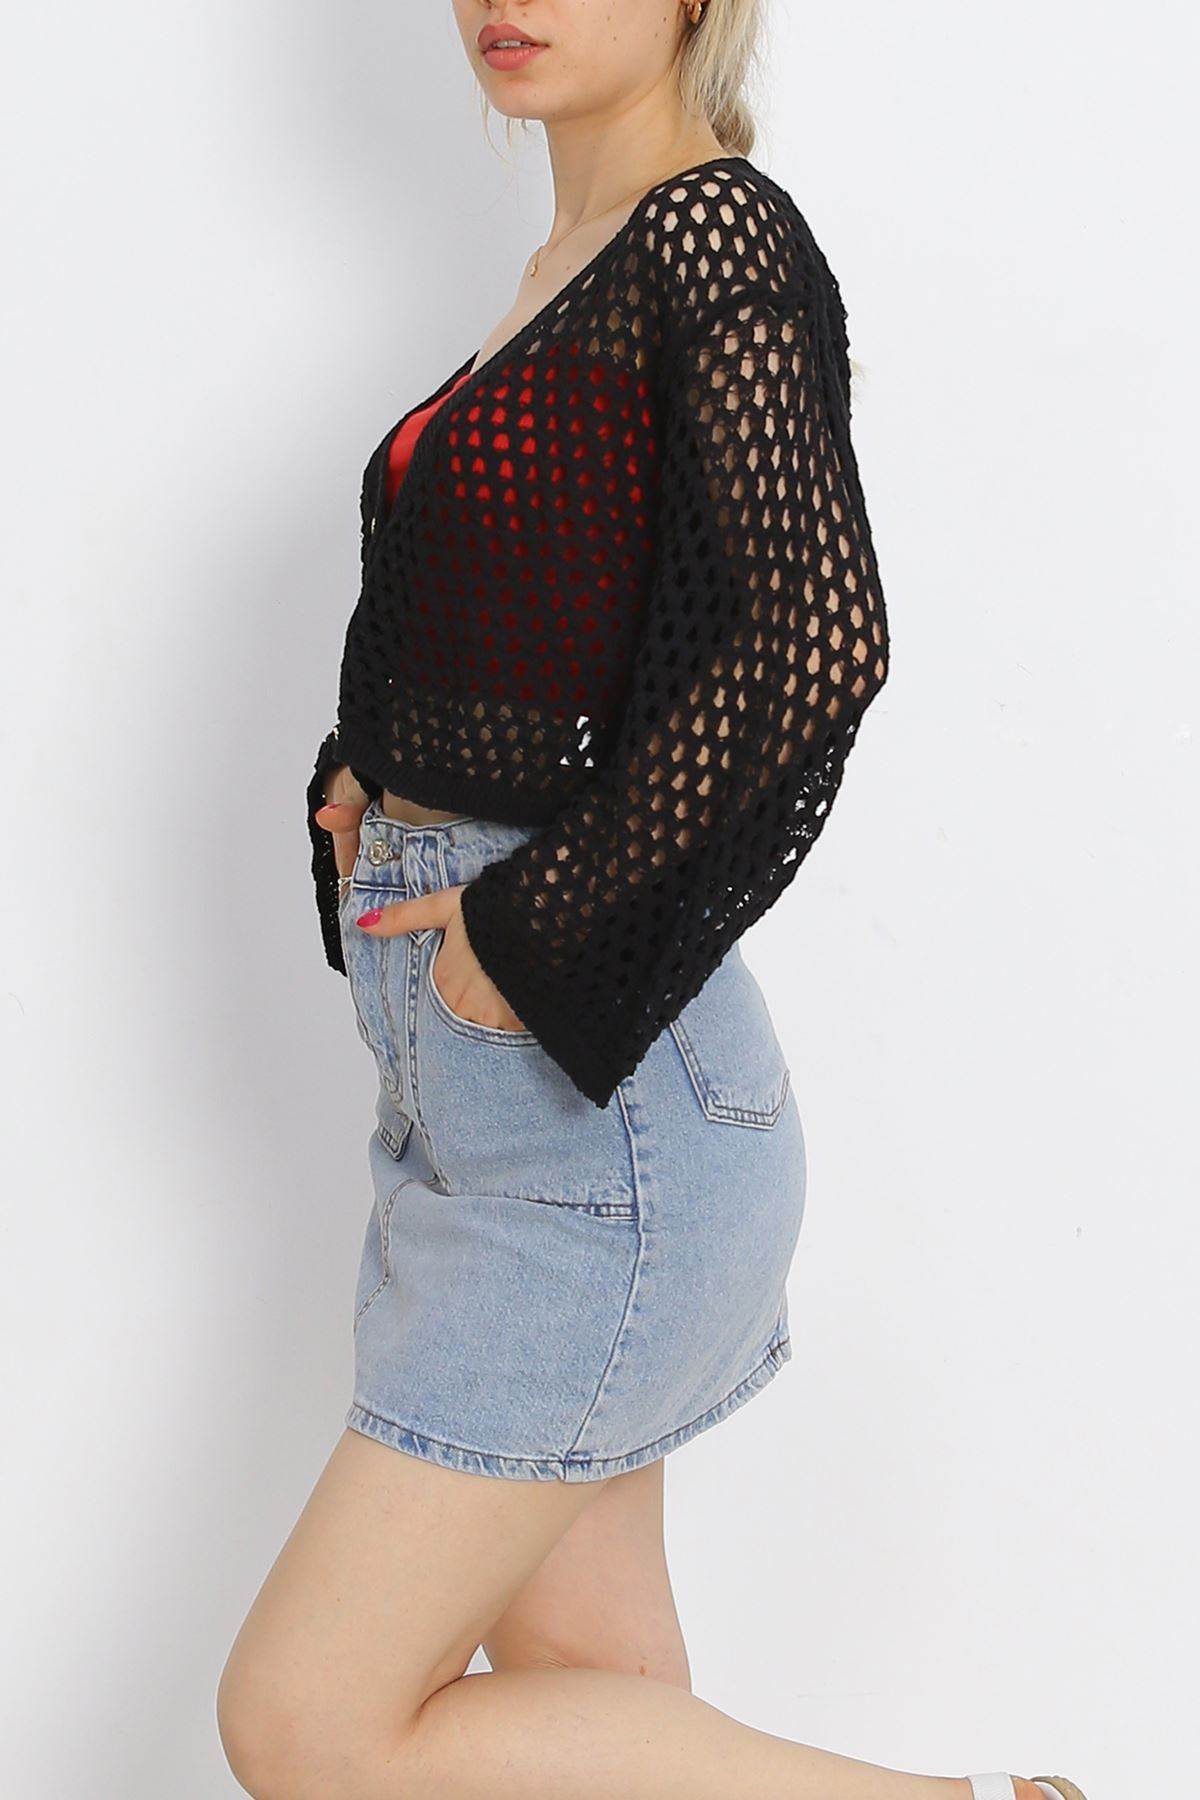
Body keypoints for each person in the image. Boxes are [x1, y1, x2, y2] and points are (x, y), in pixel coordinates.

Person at [216, 5, 1086, 1799]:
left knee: (306, 1722)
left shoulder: (714, 234)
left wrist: (523, 925)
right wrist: (376, 771)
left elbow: (813, 634)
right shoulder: (574, 260)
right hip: (493, 1103)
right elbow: (556, 613)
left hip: (590, 1112)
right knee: (596, 1693)